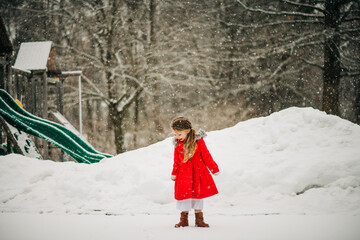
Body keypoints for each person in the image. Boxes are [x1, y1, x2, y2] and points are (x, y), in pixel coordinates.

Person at [170, 117, 219, 228]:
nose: (177, 137)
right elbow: (176, 161)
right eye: (175, 135)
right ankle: (184, 219)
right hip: (183, 174)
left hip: (197, 172)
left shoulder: (198, 141)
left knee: (197, 194)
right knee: (184, 195)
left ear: (187, 131)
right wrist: (174, 173)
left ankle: (199, 219)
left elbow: (206, 156)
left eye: (179, 134)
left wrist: (214, 168)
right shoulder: (177, 144)